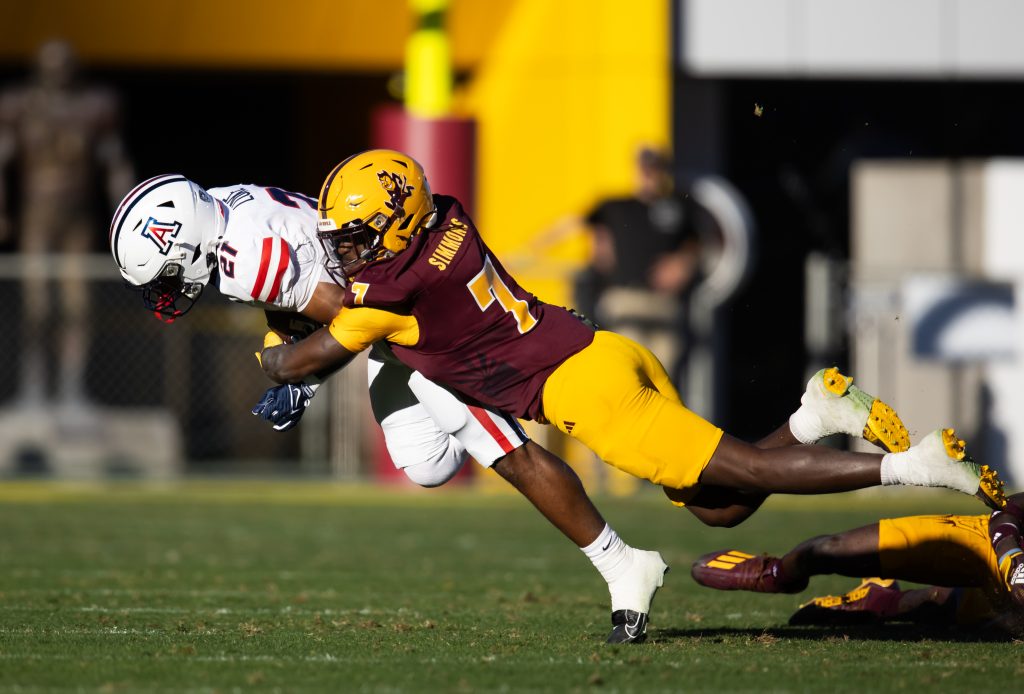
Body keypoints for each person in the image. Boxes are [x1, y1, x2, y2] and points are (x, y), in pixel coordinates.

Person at [256, 149, 1004, 522]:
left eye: (354, 233)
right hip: (603, 349)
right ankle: (816, 414)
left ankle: (913, 467)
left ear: (393, 221)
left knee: (749, 472)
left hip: (585, 392)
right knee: (719, 505)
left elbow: (311, 358)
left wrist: (268, 340)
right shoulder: (446, 211)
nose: (347, 247)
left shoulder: (392, 288)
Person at [110, 174, 669, 644]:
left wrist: (289, 369)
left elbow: (354, 319)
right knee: (426, 463)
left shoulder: (242, 257)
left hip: (412, 323)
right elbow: (302, 294)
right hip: (388, 314)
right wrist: (296, 360)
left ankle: (621, 564)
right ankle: (496, 381)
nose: (167, 289)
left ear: (179, 242)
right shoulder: (225, 208)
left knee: (499, 449)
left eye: (165, 273)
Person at [0, 40, 133, 408]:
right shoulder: (22, 107)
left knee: (78, 303)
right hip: (37, 216)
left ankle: (71, 388)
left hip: (78, 219)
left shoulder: (93, 108)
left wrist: (128, 217)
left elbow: (115, 162)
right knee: (36, 303)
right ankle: (33, 387)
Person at [690, 493, 1024, 636]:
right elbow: (1008, 508)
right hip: (986, 545)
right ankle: (778, 574)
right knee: (831, 550)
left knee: (942, 607)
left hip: (1008, 595)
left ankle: (882, 601)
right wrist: (1013, 557)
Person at [577, 146, 706, 382]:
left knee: (663, 377)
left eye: (654, 169)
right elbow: (576, 224)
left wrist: (682, 264)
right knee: (629, 371)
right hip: (626, 299)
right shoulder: (616, 206)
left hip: (663, 304)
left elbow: (697, 246)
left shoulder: (677, 207)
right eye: (645, 169)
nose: (649, 175)